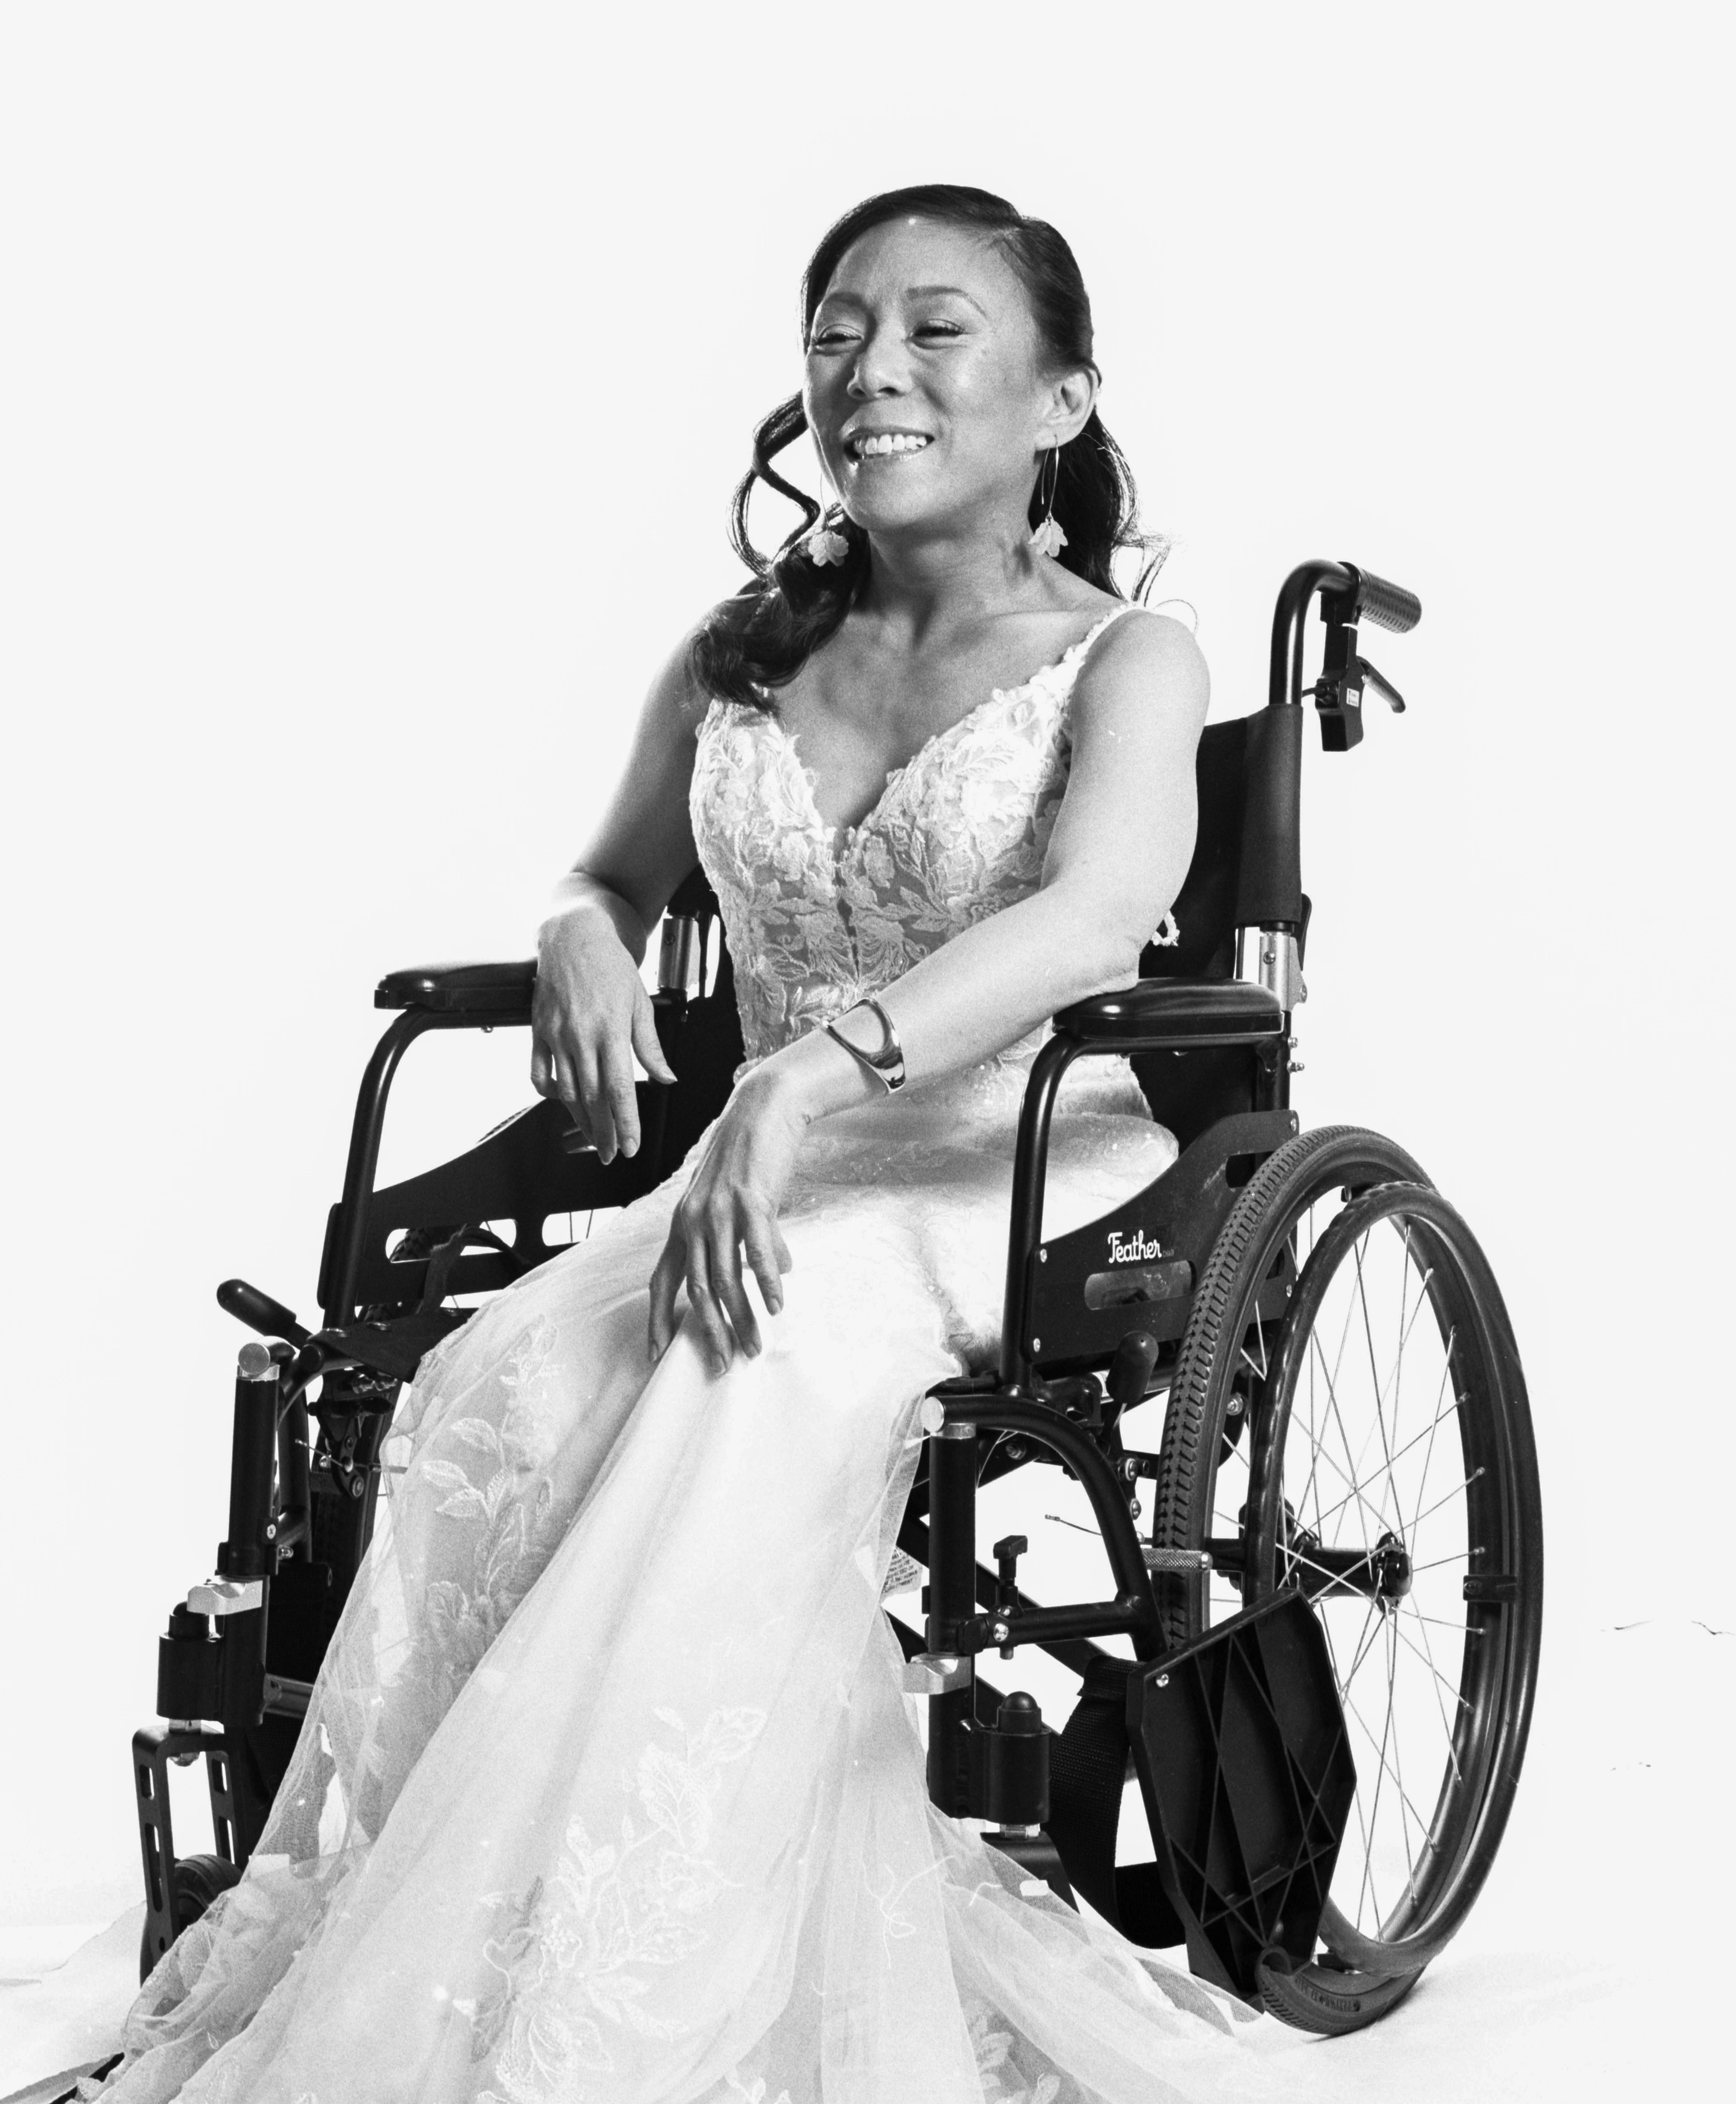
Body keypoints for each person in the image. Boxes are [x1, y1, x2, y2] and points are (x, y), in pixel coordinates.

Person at [103, 186, 1282, 2103]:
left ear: (1062, 393)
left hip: (1016, 1142)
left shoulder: (1127, 655)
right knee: (508, 1375)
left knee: (742, 1350)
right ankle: (447, 1940)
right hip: (766, 1150)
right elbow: (610, 864)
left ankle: (624, 2003)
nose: (869, 367)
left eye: (936, 327)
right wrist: (581, 918)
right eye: (835, 326)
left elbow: (1088, 920)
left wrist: (806, 1074)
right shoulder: (741, 659)